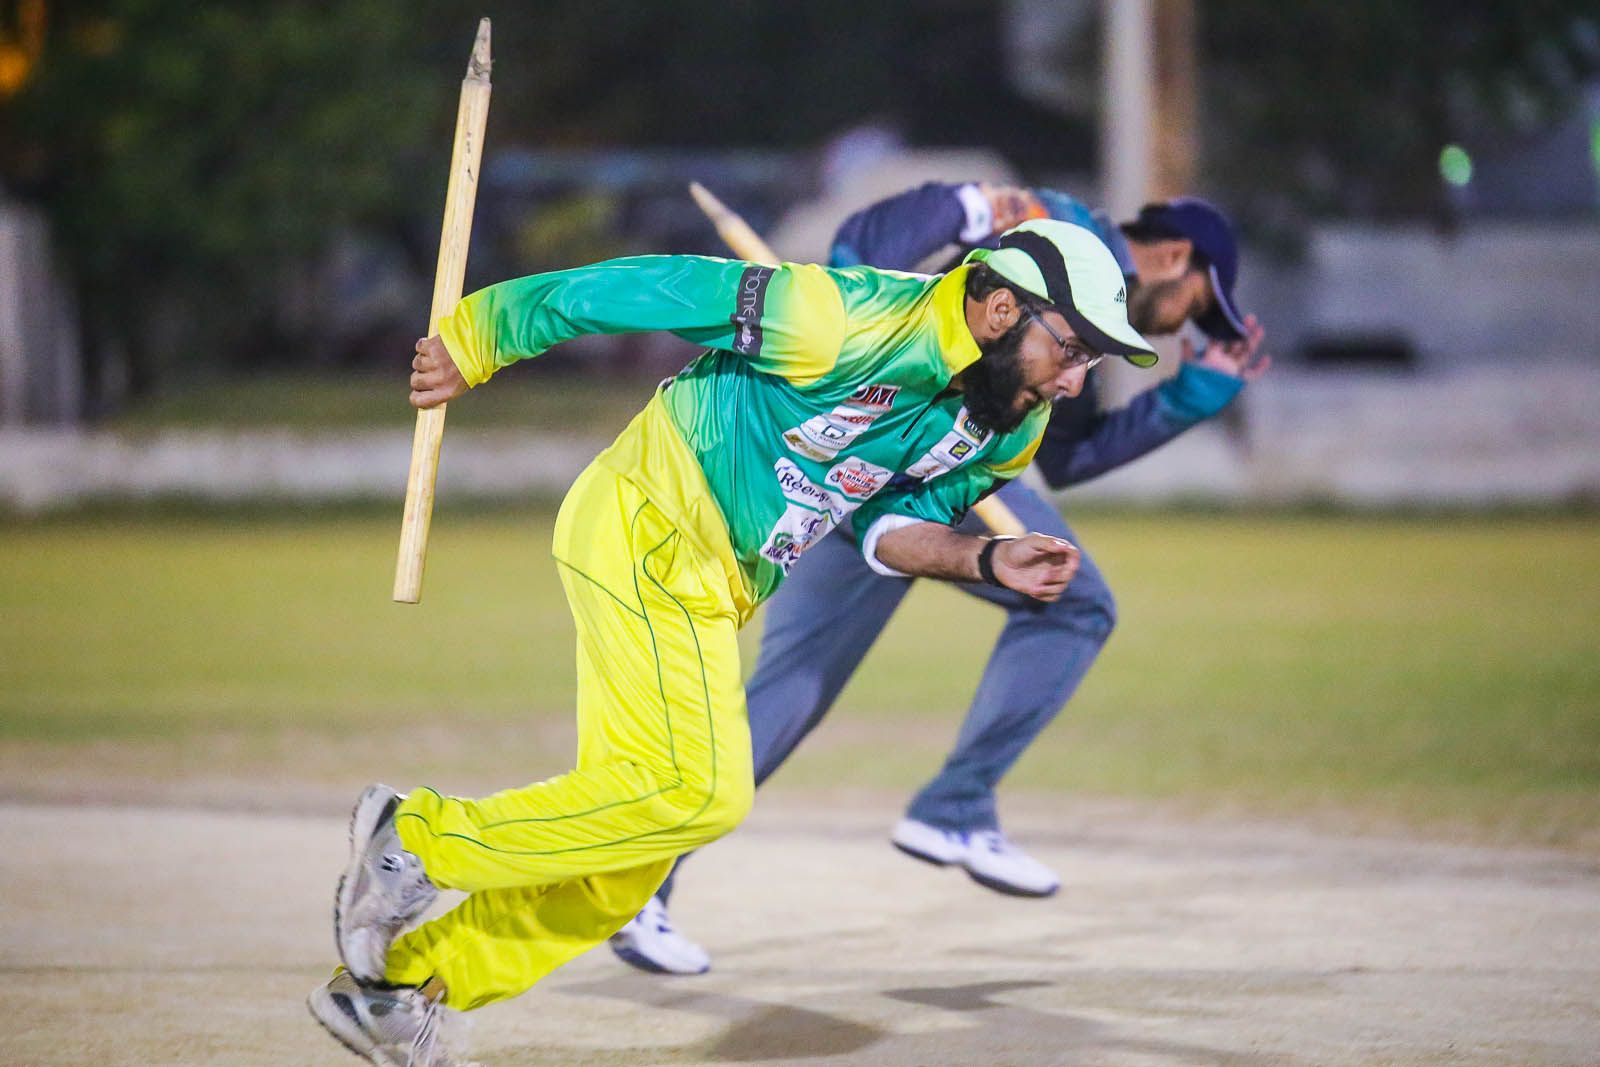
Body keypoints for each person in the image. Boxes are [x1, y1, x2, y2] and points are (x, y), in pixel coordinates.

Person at [306, 217, 1157, 1067]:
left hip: (715, 585)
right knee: (704, 794)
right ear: (1002, 309)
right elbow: (651, 288)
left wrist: (984, 557)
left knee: (633, 855)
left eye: (1092, 361)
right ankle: (417, 839)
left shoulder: (1010, 425)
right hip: (651, 518)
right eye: (1073, 348)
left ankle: (400, 992)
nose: (1076, 381)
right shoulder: (840, 316)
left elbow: (886, 528)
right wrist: (484, 335)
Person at [609, 182, 1269, 977]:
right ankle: (951, 807)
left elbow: (1067, 454)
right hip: (885, 461)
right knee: (1074, 606)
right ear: (1172, 257)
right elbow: (858, 255)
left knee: (794, 692)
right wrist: (958, 206)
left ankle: (640, 877)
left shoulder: (1081, 335)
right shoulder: (1059, 237)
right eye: (1198, 306)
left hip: (914, 481)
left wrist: (1196, 393)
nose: (1185, 328)